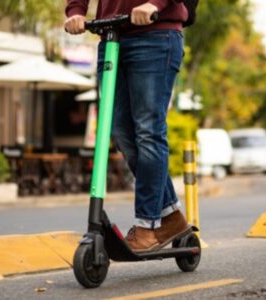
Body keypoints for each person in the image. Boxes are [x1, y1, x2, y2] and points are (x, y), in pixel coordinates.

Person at [65, 0, 190, 252]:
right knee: (120, 132)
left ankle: (147, 225)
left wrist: (154, 3)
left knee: (148, 131)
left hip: (155, 34)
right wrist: (76, 11)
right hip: (111, 37)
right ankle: (171, 216)